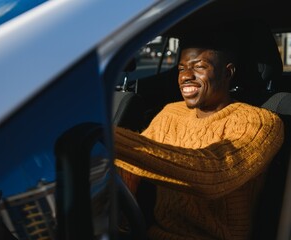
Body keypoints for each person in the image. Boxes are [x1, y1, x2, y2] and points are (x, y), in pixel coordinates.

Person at [114, 28, 285, 240]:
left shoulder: (260, 122)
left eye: (200, 67)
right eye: (182, 68)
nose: (186, 76)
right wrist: (118, 220)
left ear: (227, 72)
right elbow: (133, 166)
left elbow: (214, 173)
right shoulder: (171, 113)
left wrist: (110, 138)